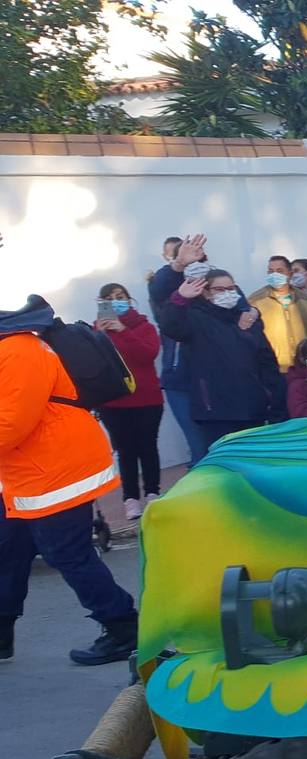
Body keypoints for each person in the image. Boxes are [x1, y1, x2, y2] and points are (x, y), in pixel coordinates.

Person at [1, 293, 141, 665]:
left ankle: (122, 625)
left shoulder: (17, 350)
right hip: (26, 476)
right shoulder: (13, 347)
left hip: (54, 474)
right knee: (9, 551)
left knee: (67, 552)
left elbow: (10, 424)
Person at [160, 269, 285, 451]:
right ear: (206, 292)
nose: (227, 293)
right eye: (219, 289)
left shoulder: (247, 319)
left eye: (231, 288)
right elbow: (171, 326)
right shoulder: (195, 318)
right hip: (216, 412)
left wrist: (276, 404)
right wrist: (179, 298)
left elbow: (267, 364)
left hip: (252, 408)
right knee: (225, 467)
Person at [94, 283, 164, 519]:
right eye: (109, 299)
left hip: (147, 399)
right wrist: (101, 334)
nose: (116, 301)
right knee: (125, 451)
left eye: (120, 296)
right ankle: (130, 499)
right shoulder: (96, 332)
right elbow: (93, 364)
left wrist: (123, 330)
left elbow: (147, 355)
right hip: (113, 403)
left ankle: (153, 493)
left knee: (147, 446)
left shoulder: (145, 327)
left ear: (129, 299)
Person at [148, 234, 211, 465]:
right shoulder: (166, 289)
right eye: (177, 254)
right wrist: (178, 266)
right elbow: (158, 293)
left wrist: (251, 312)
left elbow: (238, 305)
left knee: (219, 442)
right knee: (198, 446)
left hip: (214, 377)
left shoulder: (213, 283)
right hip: (180, 381)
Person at [250, 255, 307, 373]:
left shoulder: (306, 300)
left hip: (304, 368)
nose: (274, 275)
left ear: (290, 274)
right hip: (273, 368)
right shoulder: (256, 301)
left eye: (280, 271)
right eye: (271, 271)